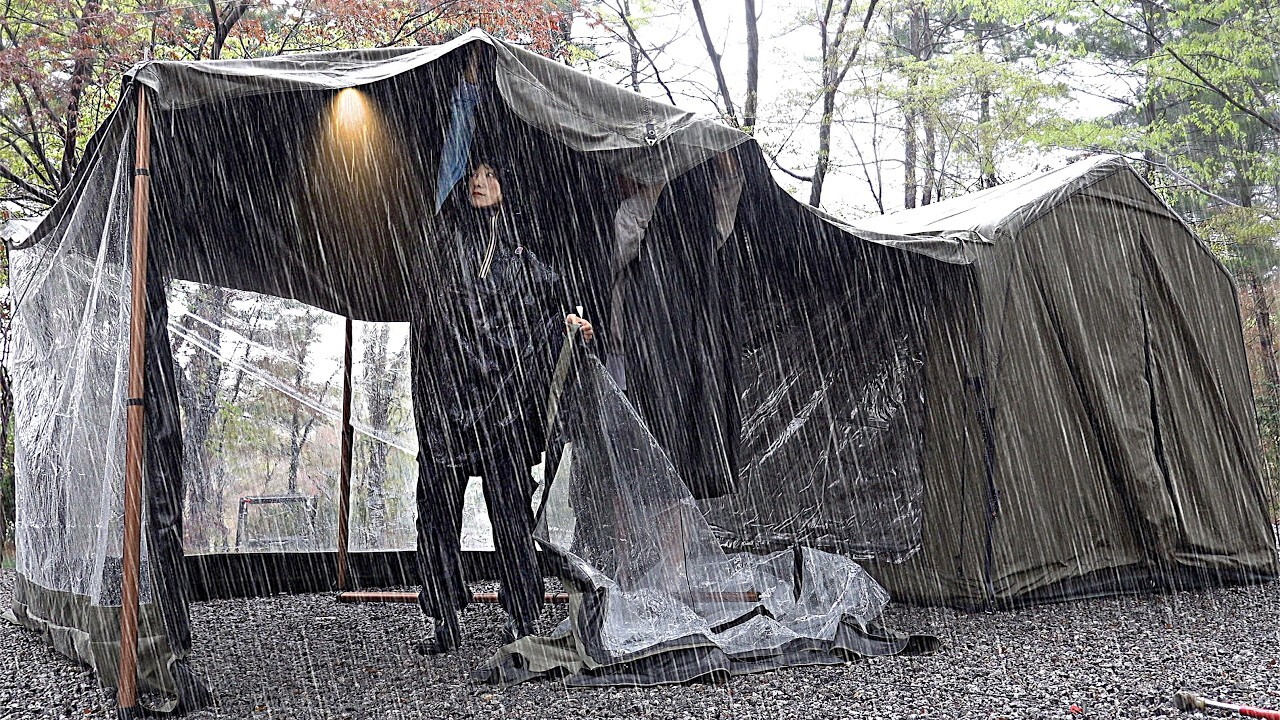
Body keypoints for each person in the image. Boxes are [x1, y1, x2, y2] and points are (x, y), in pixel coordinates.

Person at [410, 153, 593, 654]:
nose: (479, 182)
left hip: (503, 399)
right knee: (437, 509)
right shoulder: (445, 242)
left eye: (490, 174)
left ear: (507, 182)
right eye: (473, 174)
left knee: (510, 509)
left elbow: (550, 299)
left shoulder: (521, 250)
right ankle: (443, 615)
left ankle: (522, 612)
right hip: (449, 395)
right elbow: (430, 318)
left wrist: (568, 321)